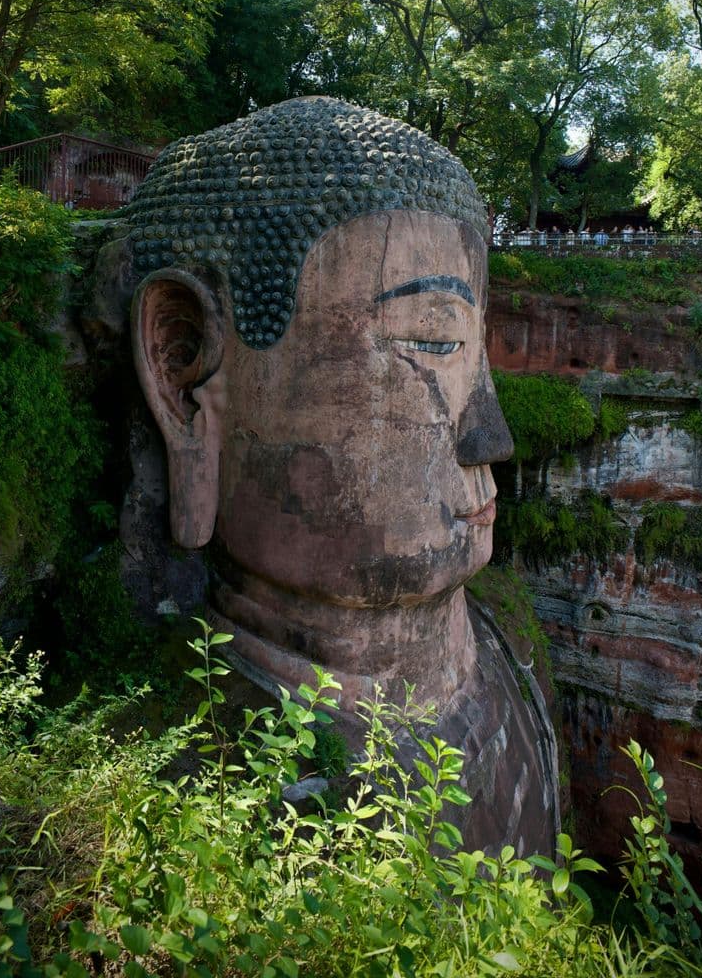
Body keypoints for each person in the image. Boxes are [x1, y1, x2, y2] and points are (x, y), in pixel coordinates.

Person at [124, 96, 558, 855]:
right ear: (182, 369)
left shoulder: (506, 645)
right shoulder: (186, 797)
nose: (492, 434)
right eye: (431, 340)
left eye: (475, 348)